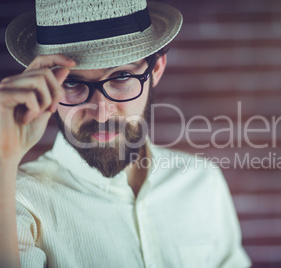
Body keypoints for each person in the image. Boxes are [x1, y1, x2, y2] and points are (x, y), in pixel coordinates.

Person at [0, 0, 251, 267]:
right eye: (72, 82)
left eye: (120, 76)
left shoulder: (203, 182)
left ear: (156, 69)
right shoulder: (15, 201)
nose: (101, 112)